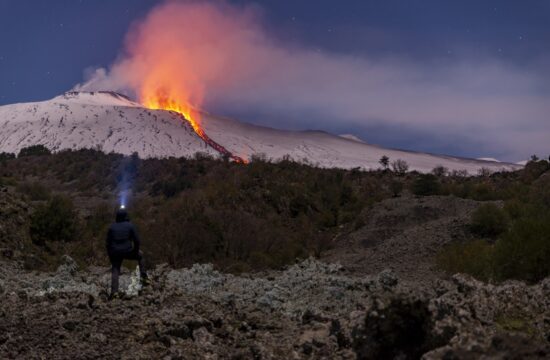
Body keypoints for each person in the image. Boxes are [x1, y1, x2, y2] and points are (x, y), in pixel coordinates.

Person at [106, 207, 149, 299]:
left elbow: (107, 243)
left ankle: (114, 293)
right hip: (127, 251)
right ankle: (144, 278)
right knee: (140, 256)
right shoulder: (130, 225)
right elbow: (137, 240)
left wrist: (110, 255)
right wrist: (135, 250)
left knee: (115, 269)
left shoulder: (112, 227)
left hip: (115, 252)